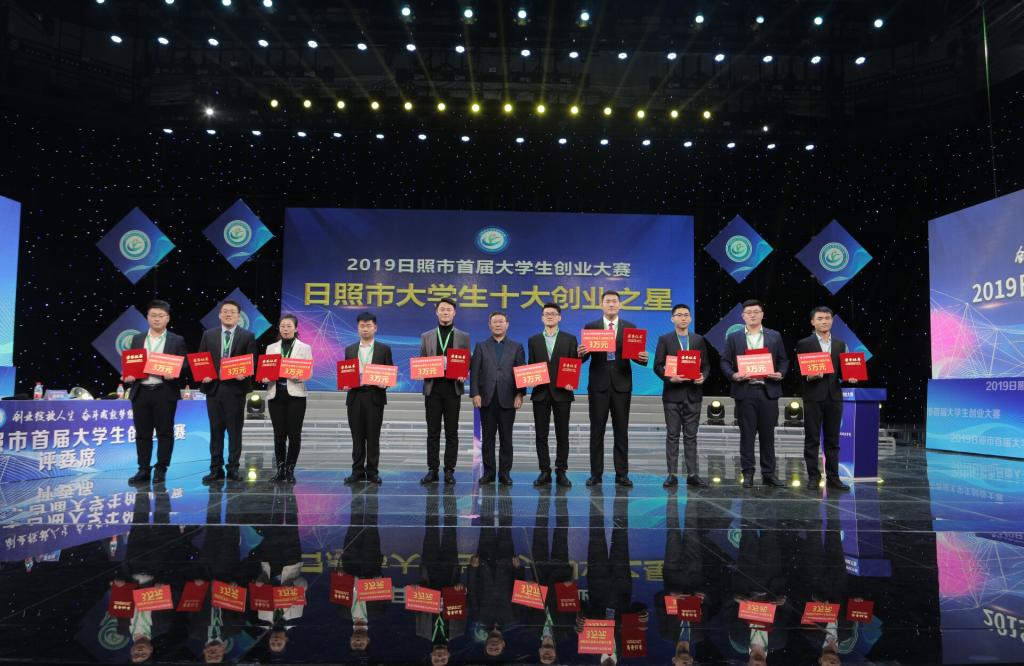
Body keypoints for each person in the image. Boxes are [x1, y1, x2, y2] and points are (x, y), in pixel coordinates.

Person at [578, 290, 649, 487]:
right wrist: (581, 353)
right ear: (601, 305)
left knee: (621, 431)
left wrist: (642, 357)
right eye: (607, 301)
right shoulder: (591, 327)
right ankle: (596, 474)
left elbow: (635, 356)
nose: (611, 304)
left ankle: (622, 474)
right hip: (598, 385)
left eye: (614, 301)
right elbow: (584, 357)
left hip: (622, 385)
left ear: (620, 305)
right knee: (596, 431)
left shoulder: (630, 328)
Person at [720, 299, 789, 489]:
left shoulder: (774, 336)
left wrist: (780, 373)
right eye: (748, 312)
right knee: (747, 435)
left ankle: (769, 474)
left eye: (756, 311)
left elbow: (784, 360)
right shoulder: (734, 337)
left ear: (762, 314)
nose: (752, 315)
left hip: (768, 391)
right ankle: (748, 474)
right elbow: (724, 362)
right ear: (743, 316)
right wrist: (733, 375)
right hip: (745, 391)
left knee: (768, 435)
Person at [123, 299, 189, 485]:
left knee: (165, 433)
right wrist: (129, 375)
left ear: (168, 318)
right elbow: (131, 363)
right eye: (153, 315)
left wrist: (174, 372)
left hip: (164, 392)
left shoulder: (177, 340)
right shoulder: (137, 339)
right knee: (142, 433)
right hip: (141, 391)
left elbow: (185, 364)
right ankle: (143, 469)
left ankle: (161, 469)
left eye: (161, 316)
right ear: (147, 317)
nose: (157, 319)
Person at [653, 303, 712, 488]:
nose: (683, 318)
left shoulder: (698, 340)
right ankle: (671, 474)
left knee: (691, 436)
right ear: (672, 319)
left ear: (690, 318)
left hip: (693, 394)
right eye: (679, 315)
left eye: (686, 315)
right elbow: (657, 365)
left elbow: (706, 365)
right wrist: (670, 377)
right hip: (672, 394)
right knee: (672, 435)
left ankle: (692, 474)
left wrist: (703, 377)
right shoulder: (665, 339)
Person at [198, 300, 258, 483]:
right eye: (225, 311)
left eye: (232, 312)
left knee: (235, 431)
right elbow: (201, 359)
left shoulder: (247, 336)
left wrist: (245, 372)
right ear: (219, 315)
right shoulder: (208, 335)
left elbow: (253, 361)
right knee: (215, 431)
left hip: (235, 390)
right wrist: (203, 374)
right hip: (214, 389)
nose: (228, 314)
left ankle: (233, 468)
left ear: (239, 316)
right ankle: (215, 469)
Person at [796, 306, 854, 491]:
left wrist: (850, 377)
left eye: (827, 318)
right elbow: (798, 371)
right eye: (820, 318)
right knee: (812, 439)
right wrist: (809, 376)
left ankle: (834, 478)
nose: (824, 321)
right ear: (812, 322)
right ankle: (814, 477)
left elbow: (843, 371)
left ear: (832, 321)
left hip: (834, 396)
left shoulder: (840, 344)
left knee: (833, 441)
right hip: (813, 396)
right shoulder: (804, 343)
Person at [470, 311, 526, 486]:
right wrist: (475, 393)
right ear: (489, 325)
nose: (498, 324)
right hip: (486, 398)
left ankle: (504, 474)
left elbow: (521, 371)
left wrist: (520, 394)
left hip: (508, 398)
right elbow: (475, 372)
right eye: (494, 322)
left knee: (506, 438)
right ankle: (488, 472)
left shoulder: (517, 347)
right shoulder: (481, 346)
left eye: (501, 321)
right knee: (488, 438)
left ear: (507, 324)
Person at [419, 298, 471, 485]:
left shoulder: (463, 337)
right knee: (432, 431)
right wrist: (423, 369)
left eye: (449, 309)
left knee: (452, 432)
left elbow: (467, 362)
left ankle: (449, 470)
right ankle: (432, 470)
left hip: (452, 389)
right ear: (437, 312)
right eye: (442, 309)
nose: (445, 312)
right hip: (433, 388)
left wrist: (464, 372)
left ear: (454, 313)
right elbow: (422, 360)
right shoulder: (426, 336)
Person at [527, 302, 579, 488]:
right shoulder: (533, 340)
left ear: (559, 317)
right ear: (542, 318)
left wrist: (571, 381)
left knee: (562, 434)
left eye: (553, 313)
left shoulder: (570, 339)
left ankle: (561, 471)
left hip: (562, 392)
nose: (549, 316)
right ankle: (544, 471)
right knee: (541, 435)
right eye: (546, 313)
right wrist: (530, 379)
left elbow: (573, 364)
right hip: (540, 393)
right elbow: (531, 364)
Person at [343, 312, 394, 485]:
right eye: (362, 326)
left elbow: (389, 373)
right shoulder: (350, 349)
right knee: (357, 437)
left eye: (368, 325)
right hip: (355, 396)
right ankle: (357, 471)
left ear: (375, 328)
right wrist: (345, 383)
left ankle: (372, 472)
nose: (365, 329)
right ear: (358, 328)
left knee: (373, 437)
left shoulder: (383, 349)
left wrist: (385, 384)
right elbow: (346, 372)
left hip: (374, 396)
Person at [264, 314, 313, 484]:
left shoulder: (304, 347)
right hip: (275, 395)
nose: (285, 329)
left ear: (296, 328)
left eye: (289, 326)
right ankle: (280, 471)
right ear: (279, 328)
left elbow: (309, 372)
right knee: (279, 435)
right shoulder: (271, 348)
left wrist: (300, 375)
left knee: (294, 435)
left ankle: (290, 470)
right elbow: (266, 370)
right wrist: (265, 377)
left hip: (296, 396)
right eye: (283, 326)